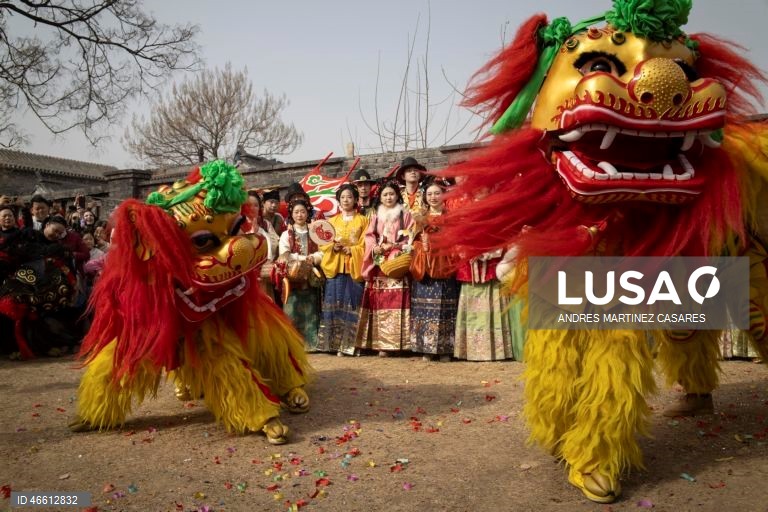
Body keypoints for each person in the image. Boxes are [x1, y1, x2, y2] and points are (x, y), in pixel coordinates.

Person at [355, 179, 414, 356]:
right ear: (380, 197)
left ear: (397, 196)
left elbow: (410, 238)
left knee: (399, 303)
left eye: (392, 194)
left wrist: (396, 246)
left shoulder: (406, 215)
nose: (389, 197)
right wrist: (375, 248)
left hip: (397, 263)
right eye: (385, 194)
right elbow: (369, 236)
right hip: (380, 264)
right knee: (379, 304)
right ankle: (382, 345)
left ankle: (401, 343)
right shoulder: (374, 216)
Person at [409, 178, 460, 362]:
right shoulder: (419, 216)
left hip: (444, 263)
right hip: (425, 265)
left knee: (445, 308)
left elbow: (455, 239)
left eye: (437, 193)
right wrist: (420, 244)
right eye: (429, 194)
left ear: (444, 195)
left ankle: (445, 348)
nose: (433, 197)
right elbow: (412, 240)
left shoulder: (451, 216)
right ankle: (426, 348)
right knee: (424, 307)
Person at [317, 184, 369, 355]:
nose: (346, 200)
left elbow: (366, 244)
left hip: (354, 267)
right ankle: (332, 344)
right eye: (343, 197)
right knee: (334, 304)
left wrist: (352, 250)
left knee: (353, 305)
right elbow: (322, 244)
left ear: (355, 199)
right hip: (336, 267)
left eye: (349, 197)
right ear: (338, 200)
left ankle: (351, 346)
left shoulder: (363, 220)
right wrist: (333, 247)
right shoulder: (331, 222)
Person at [278, 199, 323, 351]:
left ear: (308, 213)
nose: (299, 215)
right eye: (296, 212)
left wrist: (315, 258)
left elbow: (323, 251)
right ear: (291, 214)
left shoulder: (315, 232)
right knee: (292, 308)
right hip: (293, 277)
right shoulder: (286, 234)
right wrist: (303, 258)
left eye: (303, 211)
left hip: (311, 275)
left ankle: (311, 344)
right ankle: (292, 344)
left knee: (311, 308)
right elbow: (285, 255)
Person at [244, 190, 280, 302]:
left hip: (264, 275)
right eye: (249, 205)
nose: (252, 208)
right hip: (246, 278)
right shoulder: (237, 226)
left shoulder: (265, 224)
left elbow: (275, 244)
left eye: (256, 205)